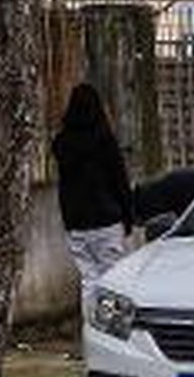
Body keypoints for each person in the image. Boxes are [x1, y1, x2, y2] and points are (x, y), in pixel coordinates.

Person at [53, 81, 137, 314]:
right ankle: (113, 331)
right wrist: (129, 217)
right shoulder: (104, 141)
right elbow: (119, 181)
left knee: (89, 279)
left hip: (76, 224)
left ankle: (91, 326)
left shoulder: (62, 143)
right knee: (114, 279)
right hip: (106, 220)